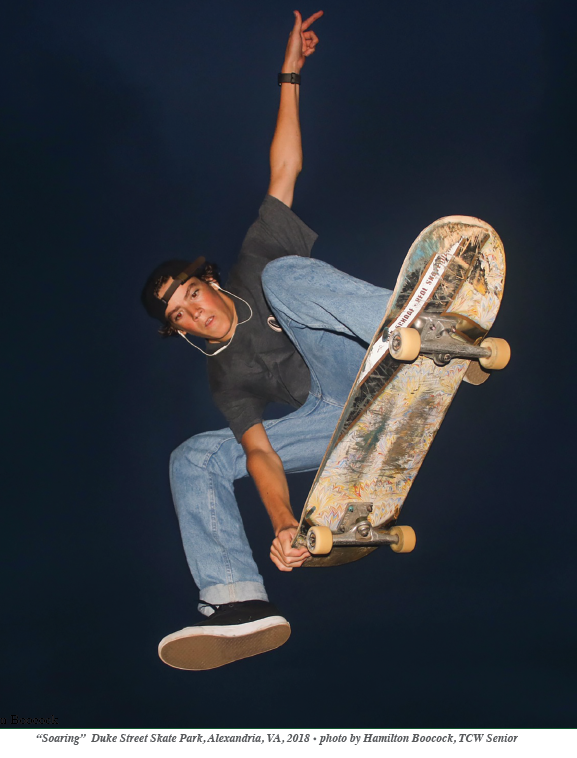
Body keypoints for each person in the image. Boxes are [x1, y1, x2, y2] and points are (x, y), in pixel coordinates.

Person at [141, 10, 392, 670]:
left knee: (284, 274)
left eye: (192, 296)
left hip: (364, 361)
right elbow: (259, 455)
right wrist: (285, 522)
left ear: (210, 281)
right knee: (193, 457)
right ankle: (236, 602)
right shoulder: (224, 375)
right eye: (180, 319)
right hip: (330, 423)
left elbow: (285, 166)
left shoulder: (254, 260)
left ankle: (407, 325)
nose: (195, 315)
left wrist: (290, 74)